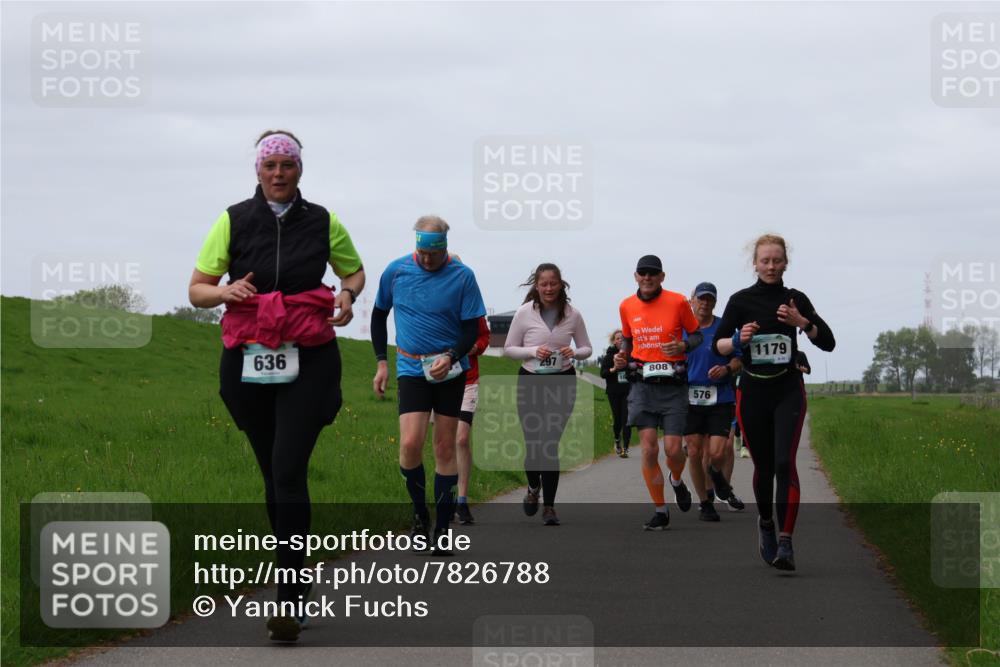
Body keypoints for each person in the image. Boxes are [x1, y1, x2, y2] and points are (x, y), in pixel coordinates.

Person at [189, 130, 365, 642]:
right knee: (272, 473)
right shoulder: (233, 219)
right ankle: (295, 579)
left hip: (309, 357)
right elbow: (197, 289)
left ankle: (290, 598)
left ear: (300, 169)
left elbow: (352, 273)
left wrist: (348, 297)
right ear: (258, 171)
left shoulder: (324, 221)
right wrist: (225, 289)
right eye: (271, 166)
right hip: (246, 358)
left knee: (288, 469)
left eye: (288, 164)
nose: (279, 173)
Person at [713, 234, 835, 570]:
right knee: (764, 468)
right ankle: (766, 523)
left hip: (787, 392)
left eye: (777, 260)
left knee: (785, 463)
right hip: (752, 392)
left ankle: (786, 543)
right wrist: (737, 340)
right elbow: (717, 347)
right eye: (765, 260)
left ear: (785, 263)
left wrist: (802, 323)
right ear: (755, 263)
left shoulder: (795, 299)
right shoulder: (740, 301)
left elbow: (828, 343)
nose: (770, 266)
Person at [371, 216, 486, 555]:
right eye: (421, 252)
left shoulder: (463, 276)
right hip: (410, 365)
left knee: (445, 447)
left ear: (445, 249)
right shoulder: (396, 271)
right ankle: (420, 513)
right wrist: (381, 362)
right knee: (409, 444)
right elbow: (379, 314)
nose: (426, 260)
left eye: (433, 255)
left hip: (450, 370)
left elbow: (470, 329)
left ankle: (442, 527)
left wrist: (451, 356)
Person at [611, 255, 702, 531]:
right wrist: (622, 357)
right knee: (649, 449)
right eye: (643, 273)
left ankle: (676, 479)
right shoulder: (626, 305)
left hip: (673, 387)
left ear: (662, 277)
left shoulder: (677, 302)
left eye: (653, 273)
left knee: (674, 450)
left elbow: (697, 336)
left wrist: (683, 348)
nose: (647, 278)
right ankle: (660, 511)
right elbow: (627, 338)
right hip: (642, 385)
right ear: (635, 276)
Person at [503, 263, 592, 526]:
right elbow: (509, 349)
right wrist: (532, 351)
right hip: (530, 381)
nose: (549, 288)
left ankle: (550, 507)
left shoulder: (572, 314)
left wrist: (574, 353)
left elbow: (586, 346)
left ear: (561, 284)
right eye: (544, 284)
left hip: (562, 381)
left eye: (553, 283)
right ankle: (533, 489)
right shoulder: (524, 313)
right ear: (536, 286)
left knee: (550, 444)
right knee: (533, 444)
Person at [682, 282, 745, 522]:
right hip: (690, 399)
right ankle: (705, 502)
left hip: (720, 397)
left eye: (709, 299)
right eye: (701, 298)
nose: (705, 303)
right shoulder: (682, 329)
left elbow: (739, 360)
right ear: (693, 300)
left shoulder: (724, 328)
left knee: (719, 452)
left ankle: (716, 475)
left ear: (715, 302)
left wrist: (727, 368)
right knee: (695, 451)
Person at [455, 313, 491, 524]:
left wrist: (477, 346)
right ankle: (446, 496)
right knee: (444, 442)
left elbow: (485, 335)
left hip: (468, 380)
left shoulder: (471, 305)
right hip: (437, 378)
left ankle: (462, 500)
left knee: (461, 439)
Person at [599, 330, 632, 457]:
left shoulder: (630, 354)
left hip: (627, 392)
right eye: (618, 338)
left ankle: (626, 448)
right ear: (614, 341)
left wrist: (629, 368)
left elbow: (635, 370)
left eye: (623, 338)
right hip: (614, 392)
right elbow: (603, 373)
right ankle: (617, 440)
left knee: (626, 419)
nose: (620, 340)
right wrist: (613, 369)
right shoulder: (609, 356)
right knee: (617, 419)